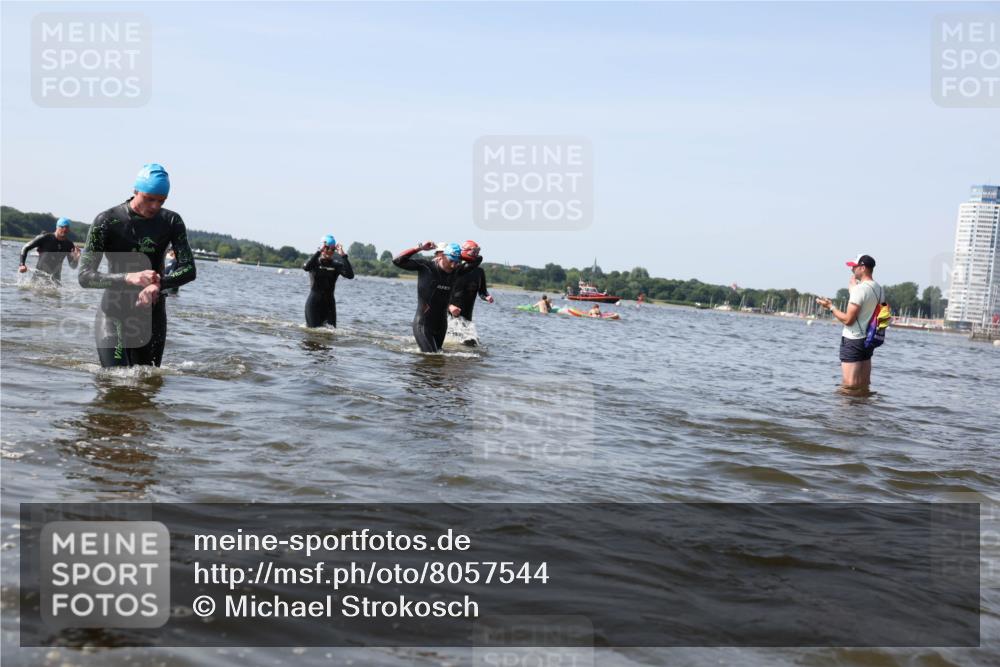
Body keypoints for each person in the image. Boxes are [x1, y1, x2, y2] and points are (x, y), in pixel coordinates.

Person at [78, 163, 196, 367]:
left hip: (151, 314)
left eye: (161, 200)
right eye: (149, 199)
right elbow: (85, 277)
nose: (155, 206)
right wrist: (128, 277)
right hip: (114, 312)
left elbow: (189, 269)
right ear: (135, 191)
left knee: (147, 378)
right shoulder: (106, 220)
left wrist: (159, 284)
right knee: (116, 378)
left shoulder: (172, 221)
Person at [393, 240, 484, 352]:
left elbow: (478, 260)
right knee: (431, 356)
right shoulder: (426, 267)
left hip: (441, 326)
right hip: (423, 324)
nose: (454, 264)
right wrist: (419, 248)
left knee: (438, 357)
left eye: (457, 261)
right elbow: (397, 261)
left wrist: (461, 254)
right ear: (442, 256)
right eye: (451, 260)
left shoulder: (457, 271)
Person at [815, 254, 883, 389]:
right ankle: (862, 404)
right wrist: (853, 291)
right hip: (869, 340)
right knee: (864, 385)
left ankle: (846, 404)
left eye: (854, 267)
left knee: (849, 386)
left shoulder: (860, 289)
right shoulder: (879, 289)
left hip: (853, 340)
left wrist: (830, 307)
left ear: (862, 268)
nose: (852, 269)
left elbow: (848, 320)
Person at [303, 234, 354, 327]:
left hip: (329, 305)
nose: (330, 251)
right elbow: (306, 267)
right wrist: (319, 251)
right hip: (314, 304)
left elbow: (350, 275)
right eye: (327, 248)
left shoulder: (336, 265)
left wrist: (343, 255)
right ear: (322, 248)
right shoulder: (314, 262)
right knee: (312, 332)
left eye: (332, 249)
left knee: (331, 333)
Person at [18, 217, 80, 284]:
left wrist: (76, 259)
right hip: (38, 279)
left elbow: (73, 266)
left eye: (66, 228)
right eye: (62, 227)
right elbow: (25, 248)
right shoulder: (45, 238)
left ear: (69, 229)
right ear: (57, 227)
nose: (64, 229)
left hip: (55, 281)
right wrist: (22, 264)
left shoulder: (69, 244)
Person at [449, 240, 494, 322]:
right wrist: (449, 306)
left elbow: (483, 291)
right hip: (450, 311)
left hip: (467, 314)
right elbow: (441, 293)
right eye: (474, 251)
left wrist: (486, 296)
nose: (476, 254)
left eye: (477, 252)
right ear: (465, 251)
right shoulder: (456, 268)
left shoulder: (479, 272)